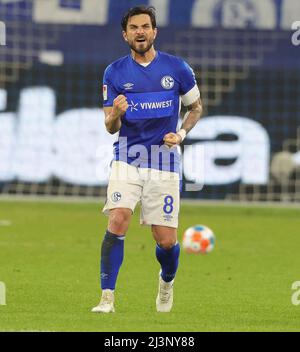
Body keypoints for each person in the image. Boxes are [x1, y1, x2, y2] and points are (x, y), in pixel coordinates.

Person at [92, 5, 202, 313]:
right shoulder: (113, 72)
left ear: (154, 31)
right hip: (127, 158)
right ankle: (107, 297)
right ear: (125, 34)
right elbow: (110, 127)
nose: (140, 31)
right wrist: (116, 113)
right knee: (118, 219)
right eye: (134, 28)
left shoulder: (177, 68)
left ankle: (166, 282)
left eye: (145, 26)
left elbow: (196, 108)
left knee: (165, 241)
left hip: (163, 161)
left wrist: (180, 134)